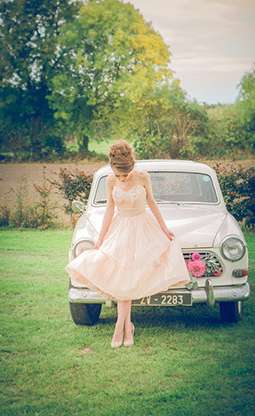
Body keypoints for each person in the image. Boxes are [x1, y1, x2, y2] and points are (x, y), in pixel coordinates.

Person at [65, 140, 190, 348]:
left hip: (143, 228)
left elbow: (151, 202)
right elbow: (108, 210)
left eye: (125, 175)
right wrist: (101, 238)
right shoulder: (109, 180)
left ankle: (120, 327)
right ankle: (125, 326)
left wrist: (164, 228)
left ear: (132, 166)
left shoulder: (143, 176)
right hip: (120, 229)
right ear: (112, 168)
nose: (121, 178)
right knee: (124, 278)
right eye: (118, 175)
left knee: (129, 278)